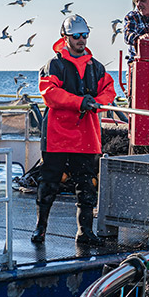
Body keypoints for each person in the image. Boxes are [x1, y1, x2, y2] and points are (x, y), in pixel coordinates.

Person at [33, 14, 116, 245]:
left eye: (85, 36)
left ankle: (85, 232)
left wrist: (98, 102)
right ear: (65, 37)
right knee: (48, 183)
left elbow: (109, 91)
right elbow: (49, 93)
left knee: (86, 184)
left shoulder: (97, 68)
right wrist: (80, 102)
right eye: (76, 36)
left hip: (86, 135)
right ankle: (40, 229)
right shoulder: (54, 65)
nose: (81, 40)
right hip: (57, 135)